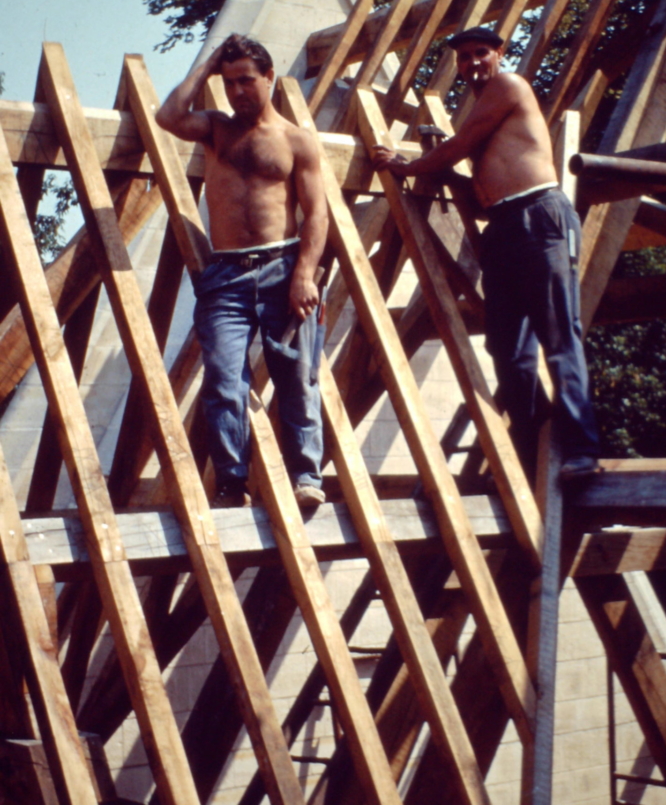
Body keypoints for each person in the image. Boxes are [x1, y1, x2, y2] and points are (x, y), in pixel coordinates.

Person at [372, 26, 599, 480]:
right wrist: (450, 179)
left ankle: (580, 449)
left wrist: (409, 165)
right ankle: (535, 446)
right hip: (502, 227)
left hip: (540, 215)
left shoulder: (507, 86)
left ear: (500, 53)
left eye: (481, 53)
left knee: (558, 336)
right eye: (464, 58)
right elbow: (479, 194)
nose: (473, 63)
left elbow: (460, 145)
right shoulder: (484, 112)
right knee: (507, 348)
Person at [156, 33, 329, 507]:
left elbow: (316, 213)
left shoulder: (297, 141)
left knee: (296, 375)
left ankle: (306, 476)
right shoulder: (216, 128)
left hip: (283, 266)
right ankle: (232, 481)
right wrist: (209, 61)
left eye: (246, 81)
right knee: (223, 377)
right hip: (227, 275)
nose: (237, 92)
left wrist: (305, 274)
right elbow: (167, 116)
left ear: (270, 77)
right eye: (229, 83)